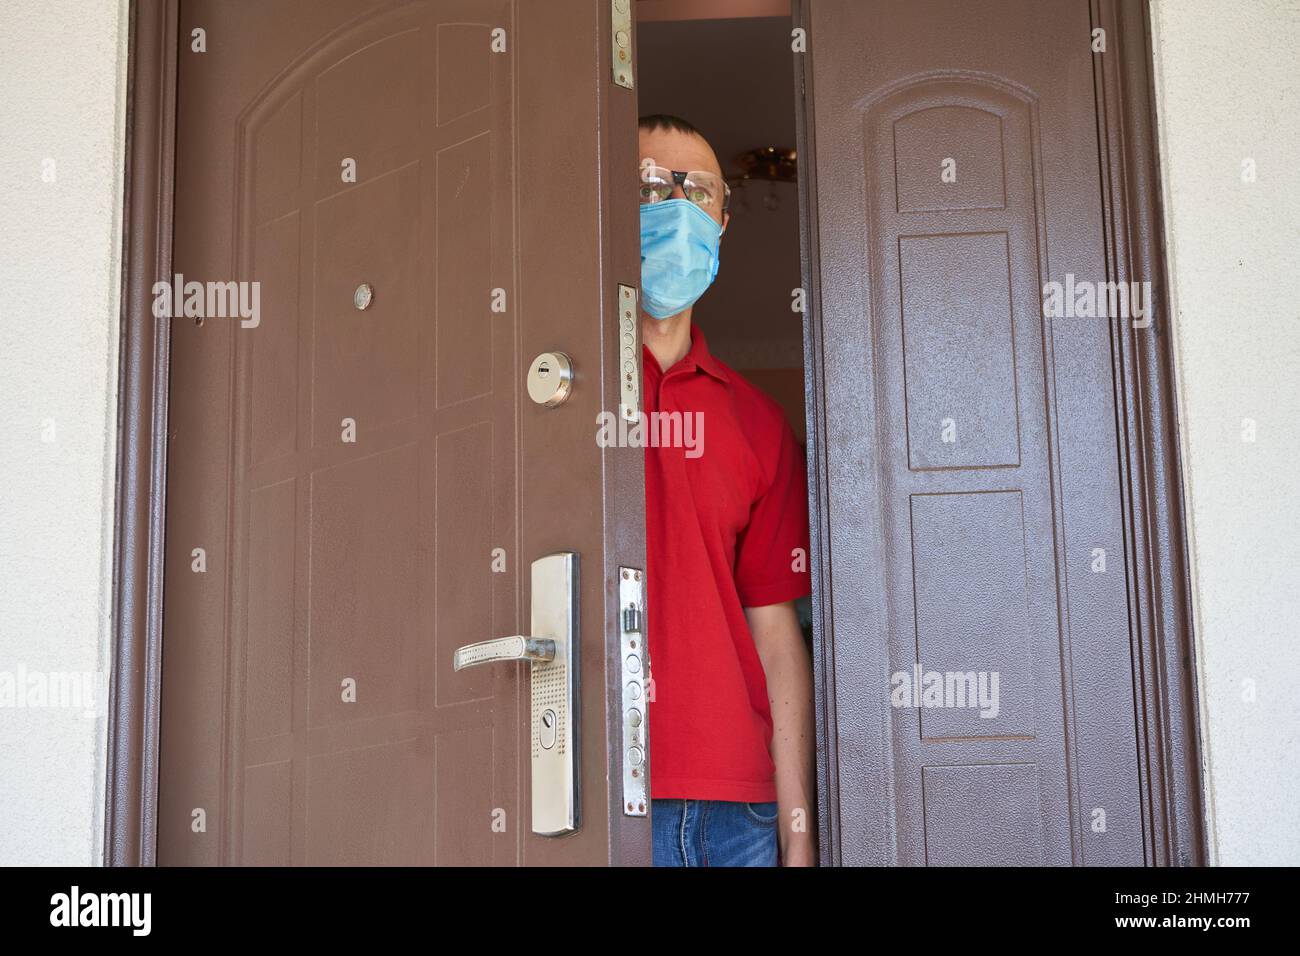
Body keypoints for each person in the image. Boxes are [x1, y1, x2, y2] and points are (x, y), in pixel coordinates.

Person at [638, 114, 815, 867]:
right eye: (649, 186)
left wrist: (798, 838)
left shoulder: (757, 423)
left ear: (722, 218)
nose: (677, 203)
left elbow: (778, 638)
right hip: (593, 794)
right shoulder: (550, 394)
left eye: (697, 189)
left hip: (739, 810)